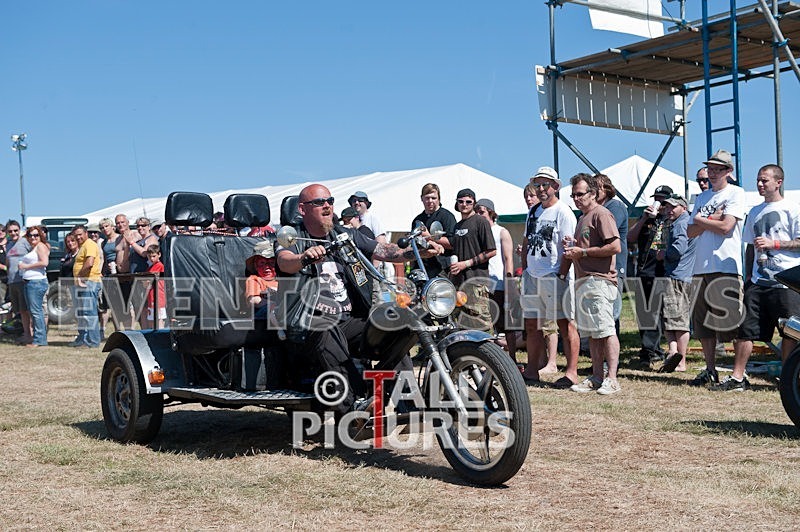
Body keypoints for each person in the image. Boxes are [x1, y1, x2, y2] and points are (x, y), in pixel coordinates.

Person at [275, 184, 443, 414]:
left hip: (349, 320)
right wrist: (303, 257)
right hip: (308, 322)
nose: (327, 205)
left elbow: (384, 251)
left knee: (395, 330)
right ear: (303, 209)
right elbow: (284, 260)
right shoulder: (292, 236)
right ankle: (355, 409)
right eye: (319, 202)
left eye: (330, 201)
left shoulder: (346, 236)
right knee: (325, 329)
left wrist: (417, 252)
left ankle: (410, 406)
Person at [712, 164, 800, 391]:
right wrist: (750, 273)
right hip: (759, 282)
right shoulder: (754, 211)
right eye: (758, 180)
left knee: (790, 331)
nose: (760, 184)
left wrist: (775, 244)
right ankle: (737, 378)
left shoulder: (794, 208)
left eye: (765, 181)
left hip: (787, 282)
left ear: (778, 182)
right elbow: (750, 245)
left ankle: (788, 378)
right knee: (745, 330)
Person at [687, 149, 746, 386]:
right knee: (702, 323)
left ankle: (738, 374)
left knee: (730, 322)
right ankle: (710, 370)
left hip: (725, 265)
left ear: (728, 172)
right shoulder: (701, 197)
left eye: (717, 169)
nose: (711, 173)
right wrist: (711, 220)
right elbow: (690, 232)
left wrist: (701, 220)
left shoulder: (736, 193)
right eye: (710, 169)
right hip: (700, 266)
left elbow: (726, 228)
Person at [520, 167, 581, 389]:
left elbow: (569, 246)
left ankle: (572, 372)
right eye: (538, 184)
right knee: (531, 325)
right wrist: (525, 269)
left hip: (554, 274)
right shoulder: (533, 211)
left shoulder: (563, 212)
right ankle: (532, 369)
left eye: (546, 184)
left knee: (565, 324)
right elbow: (527, 241)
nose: (541, 188)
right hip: (533, 275)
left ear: (556, 186)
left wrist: (562, 273)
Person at [564, 173, 622, 395]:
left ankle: (612, 378)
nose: (576, 199)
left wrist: (584, 251)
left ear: (593, 193)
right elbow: (585, 248)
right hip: (584, 280)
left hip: (600, 280)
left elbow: (615, 246)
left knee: (606, 330)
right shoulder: (582, 218)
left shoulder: (602, 214)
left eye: (580, 194)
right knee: (592, 332)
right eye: (573, 195)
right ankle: (597, 376)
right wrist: (574, 246)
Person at [627, 185, 671, 368]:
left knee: (656, 313)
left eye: (662, 200)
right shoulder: (645, 219)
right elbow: (630, 238)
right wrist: (644, 218)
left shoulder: (671, 219)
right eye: (656, 199)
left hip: (661, 271)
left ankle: (651, 351)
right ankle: (650, 350)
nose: (658, 203)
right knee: (644, 313)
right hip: (644, 269)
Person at [656, 194, 696, 373]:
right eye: (667, 207)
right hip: (682, 276)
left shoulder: (681, 223)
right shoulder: (683, 222)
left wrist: (664, 254)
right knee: (671, 319)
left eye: (673, 207)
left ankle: (680, 360)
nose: (669, 210)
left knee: (678, 321)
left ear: (683, 208)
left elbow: (679, 248)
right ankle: (673, 353)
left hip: (677, 276)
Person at [448, 188, 497, 332]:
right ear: (456, 204)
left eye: (468, 202)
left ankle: (490, 354)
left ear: (474, 203)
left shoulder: (481, 221)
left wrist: (466, 264)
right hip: (459, 283)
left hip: (476, 282)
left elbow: (491, 251)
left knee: (482, 324)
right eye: (461, 201)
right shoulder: (457, 226)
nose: (464, 204)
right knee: (463, 325)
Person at [475, 198, 515, 352]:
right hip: (481, 283)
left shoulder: (501, 231)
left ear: (491, 213)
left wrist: (509, 283)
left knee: (506, 324)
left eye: (482, 212)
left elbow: (508, 258)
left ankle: (512, 357)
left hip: (498, 282)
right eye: (477, 212)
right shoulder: (477, 231)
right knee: (485, 324)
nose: (479, 215)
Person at [411, 183, 457, 278]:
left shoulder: (447, 217)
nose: (430, 201)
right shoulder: (417, 220)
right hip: (421, 267)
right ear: (421, 198)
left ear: (439, 198)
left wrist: (429, 236)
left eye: (433, 198)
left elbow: (452, 243)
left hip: (441, 269)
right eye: (427, 198)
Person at [70, 224, 104, 348]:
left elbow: (89, 263)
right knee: (84, 313)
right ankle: (85, 339)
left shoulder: (89, 244)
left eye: (80, 234)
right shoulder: (84, 246)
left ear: (86, 233)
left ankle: (93, 342)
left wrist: (79, 276)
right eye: (76, 235)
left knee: (90, 313)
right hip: (85, 282)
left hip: (88, 282)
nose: (78, 237)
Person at [18, 226, 51, 347]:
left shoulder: (41, 246)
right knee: (34, 312)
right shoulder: (33, 248)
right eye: (30, 235)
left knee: (36, 312)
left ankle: (39, 340)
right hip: (30, 282)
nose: (33, 237)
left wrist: (25, 266)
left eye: (36, 235)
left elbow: (44, 262)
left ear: (40, 236)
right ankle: (38, 339)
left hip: (36, 282)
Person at [5, 220, 33, 344]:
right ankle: (26, 333)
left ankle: (32, 335)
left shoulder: (25, 242)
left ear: (19, 230)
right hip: (12, 282)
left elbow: (34, 256)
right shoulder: (9, 244)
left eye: (15, 230)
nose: (13, 233)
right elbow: (8, 261)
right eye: (10, 231)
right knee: (20, 311)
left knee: (27, 310)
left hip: (23, 281)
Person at [245, 239, 278, 319]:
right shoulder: (254, 279)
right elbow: (253, 300)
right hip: (262, 316)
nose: (267, 267)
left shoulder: (282, 279)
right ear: (256, 266)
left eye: (271, 263)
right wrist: (274, 305)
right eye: (262, 263)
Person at [144, 244, 167, 329]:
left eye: (154, 256)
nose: (152, 259)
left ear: (159, 254)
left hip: (159, 298)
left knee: (159, 322)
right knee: (151, 323)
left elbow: (153, 281)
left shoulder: (160, 266)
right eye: (150, 256)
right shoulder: (149, 268)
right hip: (151, 298)